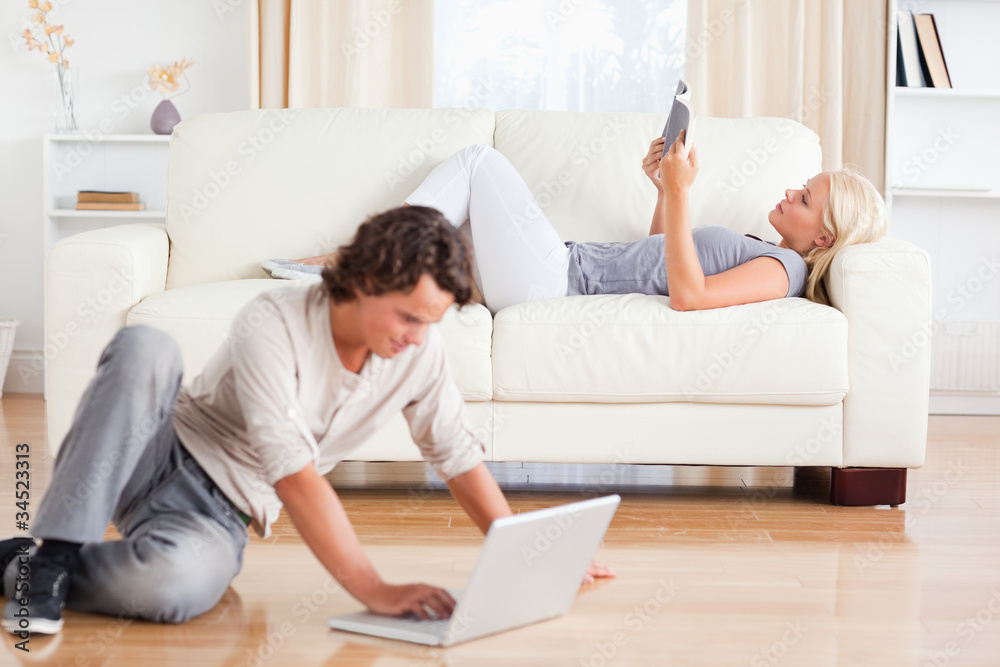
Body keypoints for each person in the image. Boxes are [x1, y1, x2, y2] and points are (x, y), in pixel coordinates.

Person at [0, 206, 614, 636]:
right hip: (155, 449)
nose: (418, 338)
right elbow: (295, 476)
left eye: (431, 322)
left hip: (219, 512)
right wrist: (374, 589)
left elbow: (455, 454)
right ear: (367, 279)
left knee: (176, 591)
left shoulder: (417, 354)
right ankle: (53, 556)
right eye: (408, 317)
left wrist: (521, 551)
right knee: (147, 347)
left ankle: (14, 563)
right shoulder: (274, 321)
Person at [277, 134, 887, 314]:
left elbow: (688, 295)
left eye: (805, 197)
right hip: (558, 267)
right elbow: (657, 258)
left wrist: (680, 197)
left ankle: (353, 258)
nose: (790, 191)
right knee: (455, 211)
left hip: (559, 281)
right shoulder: (767, 250)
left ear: (825, 237)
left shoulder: (783, 271)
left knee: (478, 162)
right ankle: (347, 269)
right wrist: (662, 188)